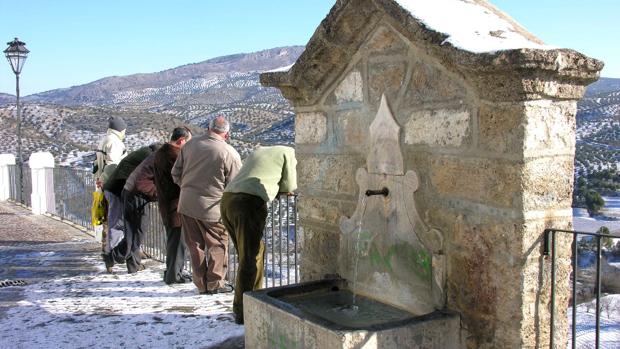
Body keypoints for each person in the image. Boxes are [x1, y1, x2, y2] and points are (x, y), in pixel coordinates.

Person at [220, 145, 297, 325]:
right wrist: (282, 189)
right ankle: (244, 312)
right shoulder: (289, 152)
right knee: (250, 257)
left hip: (228, 199)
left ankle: (254, 299)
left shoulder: (259, 150)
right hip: (248, 202)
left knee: (252, 252)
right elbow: (289, 185)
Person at [172, 116, 241, 294]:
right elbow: (235, 186)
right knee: (218, 245)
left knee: (195, 246)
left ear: (209, 128)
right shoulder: (229, 153)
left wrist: (188, 188)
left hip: (187, 204)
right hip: (213, 208)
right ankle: (216, 284)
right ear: (226, 134)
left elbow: (175, 173)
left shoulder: (189, 145)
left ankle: (201, 284)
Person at [102, 143, 160, 272]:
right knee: (122, 227)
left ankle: (132, 263)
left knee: (134, 230)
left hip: (127, 192)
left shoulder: (145, 154)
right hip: (121, 192)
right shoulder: (149, 157)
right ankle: (112, 256)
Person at [153, 127, 193, 284]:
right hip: (174, 204)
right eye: (188, 143)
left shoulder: (162, 152)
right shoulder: (174, 156)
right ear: (181, 141)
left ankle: (173, 272)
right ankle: (174, 275)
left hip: (167, 202)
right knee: (177, 241)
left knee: (174, 240)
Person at [120, 142, 162, 274]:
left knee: (132, 231)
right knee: (137, 231)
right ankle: (130, 264)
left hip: (130, 193)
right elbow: (144, 185)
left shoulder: (144, 162)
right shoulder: (153, 162)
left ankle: (125, 260)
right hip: (137, 197)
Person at [94, 116, 127, 268]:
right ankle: (112, 253)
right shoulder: (115, 142)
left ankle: (107, 249)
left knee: (109, 220)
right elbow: (113, 165)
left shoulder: (104, 139)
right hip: (114, 186)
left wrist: (100, 179)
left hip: (104, 185)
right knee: (116, 219)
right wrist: (107, 179)